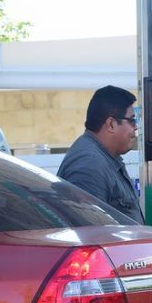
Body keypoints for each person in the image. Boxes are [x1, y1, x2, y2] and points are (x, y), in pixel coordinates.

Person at [57, 85, 144, 224]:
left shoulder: (105, 156)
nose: (135, 127)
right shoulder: (89, 164)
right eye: (131, 120)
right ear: (111, 124)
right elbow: (89, 230)